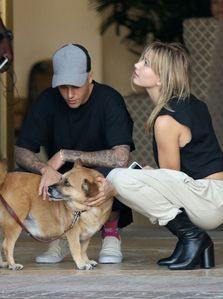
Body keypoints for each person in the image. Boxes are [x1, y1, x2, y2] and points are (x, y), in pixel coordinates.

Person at [87, 41, 223, 270]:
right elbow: (176, 177)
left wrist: (129, 184)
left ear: (161, 79)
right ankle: (190, 241)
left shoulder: (166, 120)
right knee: (133, 177)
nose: (137, 64)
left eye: (146, 63)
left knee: (116, 178)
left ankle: (193, 238)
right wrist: (150, 176)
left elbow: (171, 179)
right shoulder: (193, 104)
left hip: (207, 200)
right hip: (216, 196)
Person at [15, 43, 134, 265]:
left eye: (76, 86)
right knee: (24, 172)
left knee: (115, 173)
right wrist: (45, 168)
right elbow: (22, 150)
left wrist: (64, 155)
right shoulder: (47, 100)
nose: (70, 94)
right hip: (62, 179)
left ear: (90, 76)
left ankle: (110, 232)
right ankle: (61, 234)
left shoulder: (109, 100)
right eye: (63, 87)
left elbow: (121, 156)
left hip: (97, 175)